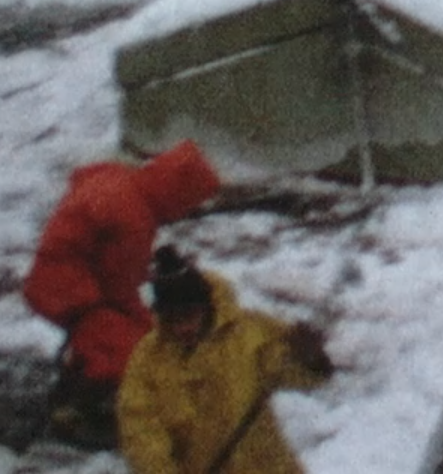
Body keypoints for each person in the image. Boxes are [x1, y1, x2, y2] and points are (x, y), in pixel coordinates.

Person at [24, 139, 223, 447]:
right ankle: (77, 412)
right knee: (129, 351)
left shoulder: (122, 185)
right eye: (188, 203)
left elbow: (114, 278)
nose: (184, 212)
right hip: (69, 293)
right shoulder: (134, 220)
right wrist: (146, 320)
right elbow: (119, 287)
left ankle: (79, 375)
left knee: (123, 333)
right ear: (178, 193)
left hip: (61, 284)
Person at [117, 247, 336, 474]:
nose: (183, 327)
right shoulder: (148, 359)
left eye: (189, 315)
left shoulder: (249, 333)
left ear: (206, 306)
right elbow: (140, 432)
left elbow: (291, 373)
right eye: (173, 319)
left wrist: (309, 359)